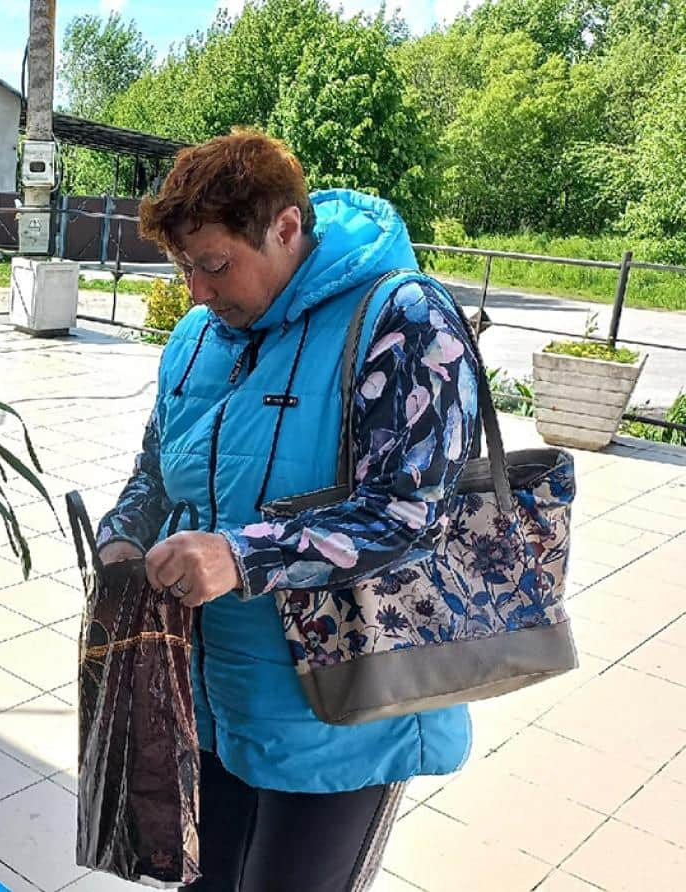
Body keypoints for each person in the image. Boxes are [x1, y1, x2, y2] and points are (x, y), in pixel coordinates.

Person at [97, 131, 480, 891]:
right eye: (185, 268)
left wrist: (241, 555)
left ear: (285, 228)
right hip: (209, 697)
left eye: (213, 264)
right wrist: (121, 535)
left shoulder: (401, 318)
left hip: (341, 710)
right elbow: (157, 471)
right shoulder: (197, 337)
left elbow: (411, 517)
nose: (198, 292)